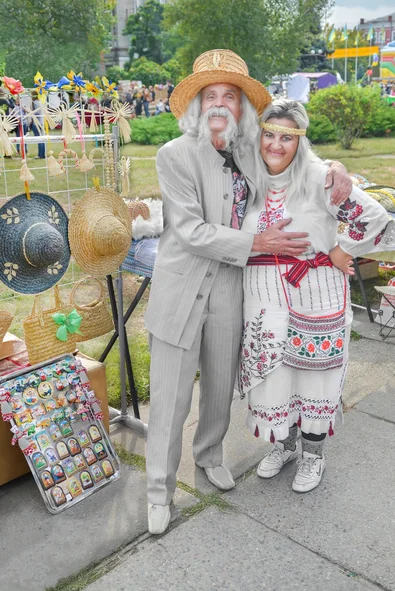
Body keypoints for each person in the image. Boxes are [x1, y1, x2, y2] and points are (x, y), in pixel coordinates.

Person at [144, 49, 352, 535]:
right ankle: (158, 491)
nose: (220, 104)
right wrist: (256, 242)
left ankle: (211, 456)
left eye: (230, 97)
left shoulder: (246, 151)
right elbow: (190, 230)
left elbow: (292, 156)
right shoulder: (172, 155)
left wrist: (334, 166)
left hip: (232, 291)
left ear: (240, 108)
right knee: (171, 396)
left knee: (219, 387)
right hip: (182, 288)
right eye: (210, 95)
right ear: (197, 105)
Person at [240, 99, 391, 493]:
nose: (275, 144)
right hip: (262, 298)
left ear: (300, 140)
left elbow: (374, 217)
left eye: (286, 137)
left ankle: (313, 455)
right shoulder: (249, 179)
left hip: (316, 293)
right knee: (275, 376)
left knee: (315, 378)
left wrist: (341, 251)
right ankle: (286, 445)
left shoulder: (320, 177)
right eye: (269, 134)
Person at [30, 93, 46, 160]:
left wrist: (30, 112)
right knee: (41, 139)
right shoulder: (40, 101)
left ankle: (40, 155)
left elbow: (38, 112)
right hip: (40, 122)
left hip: (37, 123)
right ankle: (42, 154)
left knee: (39, 139)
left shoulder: (36, 102)